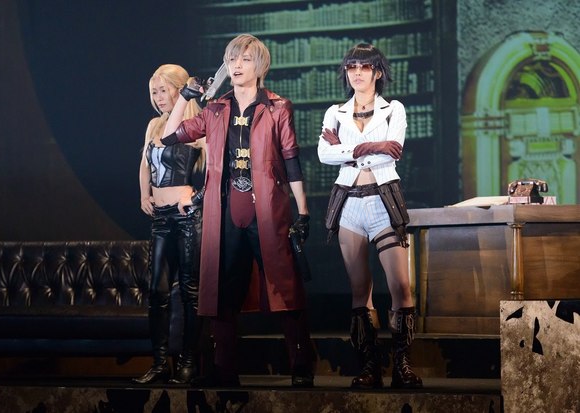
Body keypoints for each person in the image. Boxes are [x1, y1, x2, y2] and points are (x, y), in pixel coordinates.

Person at [160, 33, 315, 388]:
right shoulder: (215, 109)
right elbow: (169, 136)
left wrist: (303, 211)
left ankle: (301, 366)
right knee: (223, 291)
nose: (237, 65)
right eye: (232, 59)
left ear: (260, 65)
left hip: (268, 210)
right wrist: (185, 96)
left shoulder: (277, 107)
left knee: (285, 286)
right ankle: (224, 369)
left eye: (245, 59)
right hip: (227, 210)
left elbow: (291, 159)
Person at [317, 43, 423, 389]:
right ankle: (370, 366)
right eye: (352, 67)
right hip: (349, 202)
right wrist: (369, 147)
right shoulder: (335, 112)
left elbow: (394, 151)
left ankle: (402, 365)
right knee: (359, 289)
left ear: (377, 72)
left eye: (364, 67)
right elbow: (323, 154)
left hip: (382, 200)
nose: (357, 73)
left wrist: (346, 150)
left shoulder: (393, 110)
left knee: (400, 286)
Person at [134, 64, 206, 385]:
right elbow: (144, 163)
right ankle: (160, 363)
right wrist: (144, 194)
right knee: (157, 291)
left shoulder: (197, 124)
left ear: (180, 89)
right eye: (154, 92)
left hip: (187, 216)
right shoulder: (154, 125)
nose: (159, 97)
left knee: (190, 292)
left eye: (164, 90)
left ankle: (189, 363)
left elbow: (215, 168)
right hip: (161, 217)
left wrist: (198, 197)